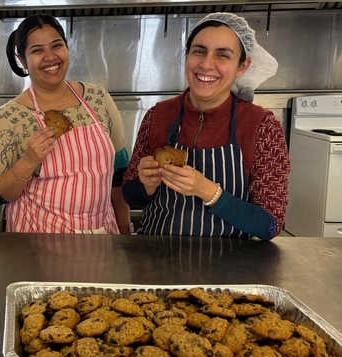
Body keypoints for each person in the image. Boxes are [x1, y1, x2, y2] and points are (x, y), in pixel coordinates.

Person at [123, 12, 290, 240]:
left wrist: (207, 191)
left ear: (242, 66)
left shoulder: (262, 126)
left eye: (222, 55)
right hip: (157, 262)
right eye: (199, 51)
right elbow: (130, 197)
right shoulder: (158, 116)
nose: (206, 64)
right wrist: (146, 185)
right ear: (188, 55)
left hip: (230, 267)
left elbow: (270, 225)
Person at [0, 14, 131, 234]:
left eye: (57, 46)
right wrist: (29, 160)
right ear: (22, 60)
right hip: (38, 243)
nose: (50, 57)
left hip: (102, 236)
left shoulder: (98, 98)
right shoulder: (8, 117)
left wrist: (124, 229)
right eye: (37, 50)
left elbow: (119, 173)